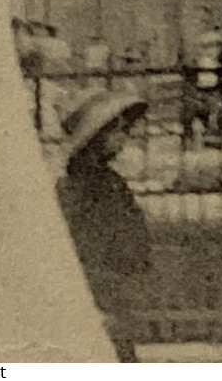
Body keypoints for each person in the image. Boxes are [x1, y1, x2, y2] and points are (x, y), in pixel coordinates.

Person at [55, 91, 153, 363]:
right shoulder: (80, 185)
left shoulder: (108, 180)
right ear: (96, 136)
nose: (124, 138)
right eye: (117, 131)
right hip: (97, 283)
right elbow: (84, 242)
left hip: (115, 281)